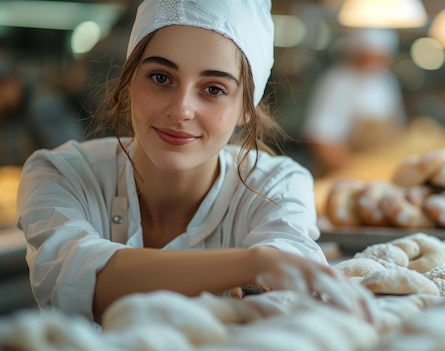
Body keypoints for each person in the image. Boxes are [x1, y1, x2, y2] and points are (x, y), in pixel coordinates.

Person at [16, 0, 373, 323]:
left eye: (214, 89)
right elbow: (81, 280)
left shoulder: (275, 183)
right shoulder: (60, 174)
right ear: (129, 83)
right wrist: (253, 263)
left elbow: (289, 280)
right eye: (160, 77)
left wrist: (269, 264)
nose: (181, 109)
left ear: (245, 108)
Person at [302, 28, 407, 177]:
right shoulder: (338, 82)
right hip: (342, 174)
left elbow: (397, 129)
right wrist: (354, 171)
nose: (372, 64)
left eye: (380, 58)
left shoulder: (387, 81)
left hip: (379, 172)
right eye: (367, 57)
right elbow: (320, 137)